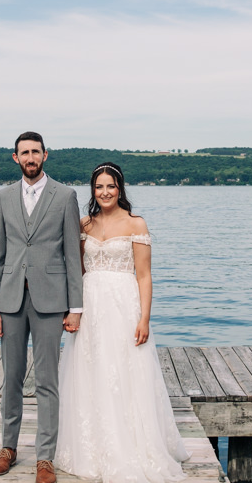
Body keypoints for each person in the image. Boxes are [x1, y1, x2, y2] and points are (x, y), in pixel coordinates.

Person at [55, 161, 190, 483]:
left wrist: (144, 318)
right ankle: (91, 446)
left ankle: (132, 444)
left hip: (123, 304)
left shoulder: (136, 224)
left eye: (110, 186)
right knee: (91, 371)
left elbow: (144, 276)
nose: (104, 192)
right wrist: (71, 309)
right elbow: (77, 272)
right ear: (93, 190)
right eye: (99, 187)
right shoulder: (84, 224)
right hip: (90, 306)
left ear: (120, 189)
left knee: (125, 372)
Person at [0, 131, 84, 483]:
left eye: (35, 152)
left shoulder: (66, 196)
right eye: (24, 153)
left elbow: (73, 256)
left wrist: (76, 308)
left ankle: (45, 458)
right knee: (11, 378)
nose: (30, 157)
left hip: (50, 301)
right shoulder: (4, 197)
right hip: (10, 299)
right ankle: (8, 448)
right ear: (16, 158)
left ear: (46, 155)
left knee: (47, 380)